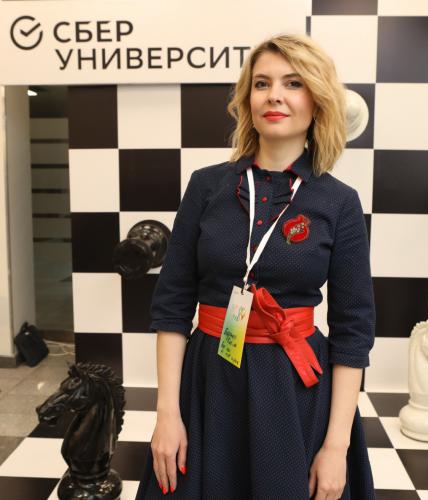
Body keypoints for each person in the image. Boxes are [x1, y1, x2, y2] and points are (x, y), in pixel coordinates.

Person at [135, 32, 376, 500]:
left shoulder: (339, 202)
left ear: (317, 100)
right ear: (248, 99)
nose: (274, 95)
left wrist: (336, 445)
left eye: (293, 83)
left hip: (295, 391)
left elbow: (354, 331)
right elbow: (172, 307)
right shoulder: (205, 187)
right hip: (210, 382)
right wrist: (167, 413)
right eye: (262, 83)